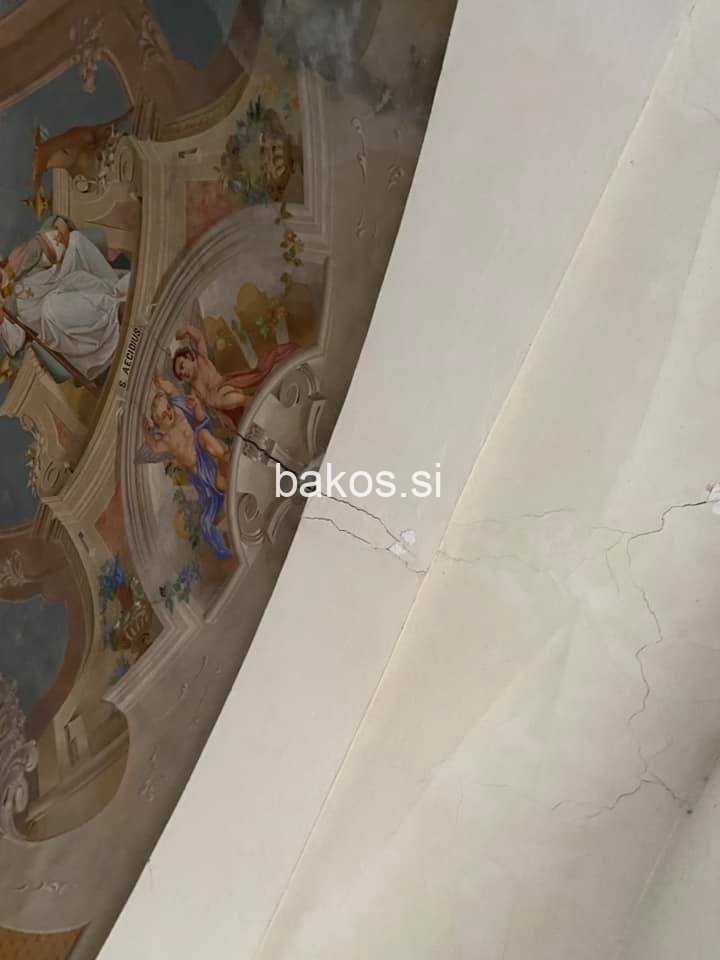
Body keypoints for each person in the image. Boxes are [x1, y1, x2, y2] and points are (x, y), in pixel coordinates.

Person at [0, 216, 130, 383]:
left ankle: (117, 293)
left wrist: (49, 240)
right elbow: (15, 344)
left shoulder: (16, 261)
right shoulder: (6, 309)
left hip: (65, 283)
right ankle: (115, 313)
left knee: (75, 242)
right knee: (53, 305)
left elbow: (52, 250)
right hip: (57, 324)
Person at [143, 377, 232, 561]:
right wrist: (144, 430)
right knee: (221, 484)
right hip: (199, 471)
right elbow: (155, 447)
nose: (169, 414)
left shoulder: (180, 415)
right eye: (163, 415)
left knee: (203, 434)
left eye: (168, 408)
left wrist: (161, 382)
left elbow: (174, 392)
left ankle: (225, 458)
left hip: (206, 453)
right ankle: (230, 485)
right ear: (158, 423)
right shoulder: (166, 440)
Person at [172, 324, 297, 430]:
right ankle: (272, 425)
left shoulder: (201, 360)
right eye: (180, 375)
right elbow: (200, 414)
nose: (183, 372)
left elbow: (199, 338)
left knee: (248, 402)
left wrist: (187, 329)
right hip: (224, 411)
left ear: (188, 357)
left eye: (182, 366)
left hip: (224, 389)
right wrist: (195, 406)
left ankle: (276, 413)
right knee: (246, 425)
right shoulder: (193, 389)